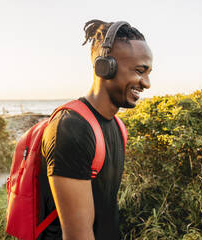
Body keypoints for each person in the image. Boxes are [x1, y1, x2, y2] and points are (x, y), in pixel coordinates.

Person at [38, 19, 153, 240]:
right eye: (140, 71)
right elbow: (78, 236)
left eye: (148, 73)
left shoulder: (118, 126)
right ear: (105, 67)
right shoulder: (71, 128)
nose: (146, 83)